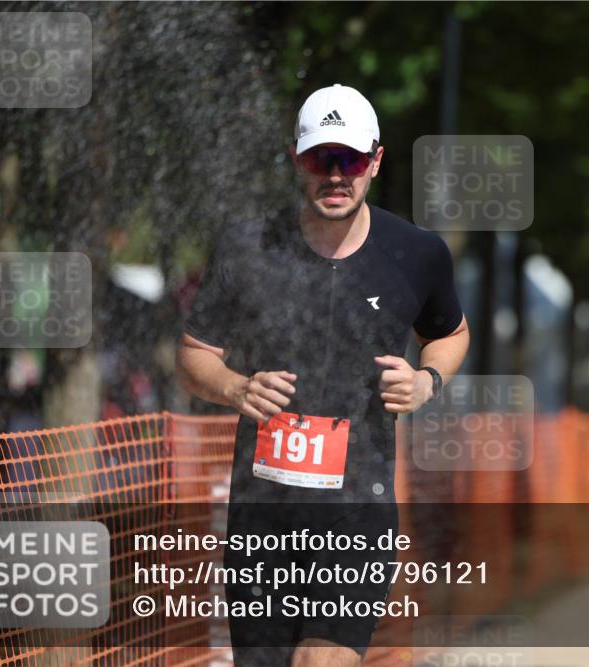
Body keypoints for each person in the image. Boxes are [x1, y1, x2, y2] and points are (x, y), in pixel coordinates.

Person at [176, 84, 469, 667]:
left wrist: (425, 382)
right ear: (296, 160)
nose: (335, 175)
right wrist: (235, 387)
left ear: (377, 161)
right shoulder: (246, 249)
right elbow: (192, 354)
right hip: (261, 520)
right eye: (320, 158)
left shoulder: (417, 253)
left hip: (357, 512)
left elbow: (451, 334)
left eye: (351, 160)